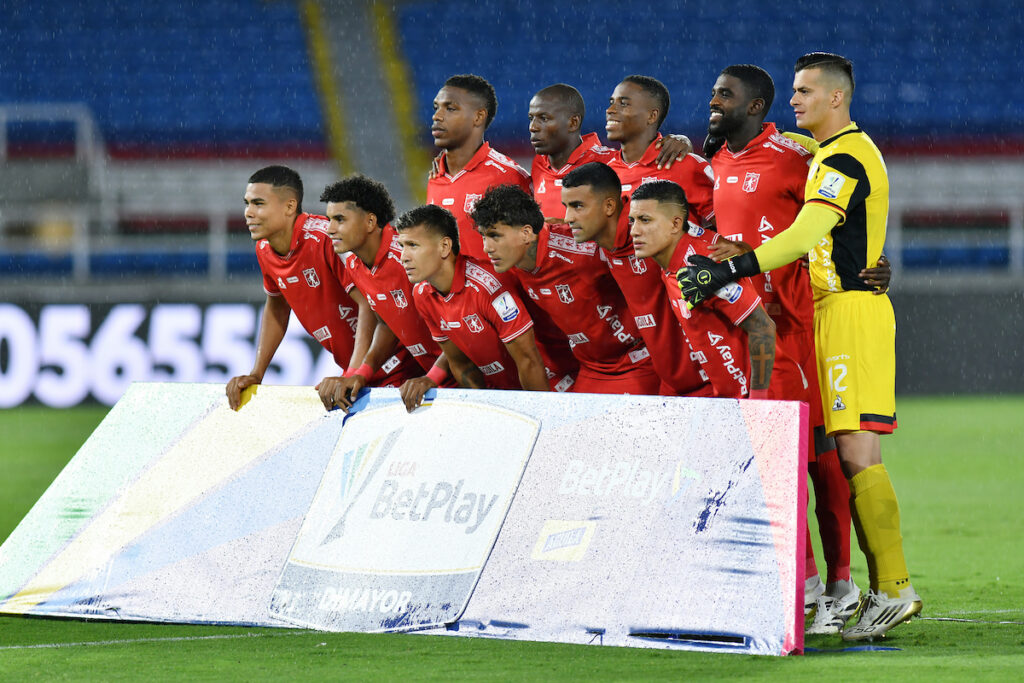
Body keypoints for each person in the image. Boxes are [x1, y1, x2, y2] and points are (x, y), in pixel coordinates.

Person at [678, 52, 922, 640]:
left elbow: (807, 231)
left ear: (836, 97)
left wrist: (730, 268)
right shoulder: (822, 149)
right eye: (792, 90)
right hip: (832, 310)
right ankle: (883, 589)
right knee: (849, 453)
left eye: (805, 91)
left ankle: (893, 588)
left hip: (848, 313)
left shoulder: (842, 157)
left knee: (856, 453)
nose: (794, 99)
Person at [705, 63, 854, 626]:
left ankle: (839, 584)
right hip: (751, 331)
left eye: (725, 95)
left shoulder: (797, 157)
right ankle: (808, 585)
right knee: (778, 461)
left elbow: (842, 218)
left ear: (754, 106)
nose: (713, 101)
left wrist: (870, 262)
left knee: (821, 459)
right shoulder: (713, 161)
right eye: (713, 92)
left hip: (798, 326)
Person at [225, 166, 410, 411]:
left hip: (398, 367)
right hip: (360, 375)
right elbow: (277, 307)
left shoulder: (328, 240)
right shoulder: (264, 249)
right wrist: (257, 373)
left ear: (289, 206)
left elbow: (370, 303)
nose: (248, 213)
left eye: (258, 204)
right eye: (246, 204)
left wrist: (354, 372)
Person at [471, 184, 661, 395]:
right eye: (483, 236)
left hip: (636, 360)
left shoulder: (583, 249)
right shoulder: (507, 267)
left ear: (526, 233)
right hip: (590, 368)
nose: (487, 248)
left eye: (495, 236)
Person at [559, 162, 711, 396]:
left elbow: (705, 247)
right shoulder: (601, 241)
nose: (568, 217)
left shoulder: (652, 233)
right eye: (566, 206)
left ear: (609, 206)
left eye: (578, 206)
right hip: (671, 382)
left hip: (710, 381)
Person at [318, 174, 456, 413]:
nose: (330, 229)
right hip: (435, 379)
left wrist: (431, 377)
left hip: (464, 375)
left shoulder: (409, 258)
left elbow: (458, 324)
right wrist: (361, 373)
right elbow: (387, 322)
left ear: (370, 222)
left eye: (340, 219)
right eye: (329, 219)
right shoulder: (354, 264)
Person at [628, 180, 777, 398]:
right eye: (632, 221)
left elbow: (763, 328)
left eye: (645, 220)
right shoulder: (671, 259)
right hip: (733, 398)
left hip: (768, 395)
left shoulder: (704, 264)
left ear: (675, 224)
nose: (634, 231)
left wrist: (759, 402)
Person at [395, 204, 550, 392]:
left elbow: (529, 361)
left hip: (547, 386)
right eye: (402, 246)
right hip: (500, 393)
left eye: (413, 245)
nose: (403, 257)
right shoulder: (421, 294)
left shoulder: (489, 287)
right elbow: (460, 364)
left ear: (444, 246)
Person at [528, 83, 690, 221]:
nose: (532, 127)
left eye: (544, 118)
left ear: (573, 122)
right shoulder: (539, 164)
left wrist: (682, 141)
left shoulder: (606, 163)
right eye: (531, 118)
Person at [427, 74, 531, 260]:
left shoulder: (508, 176)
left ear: (478, 117)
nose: (437, 116)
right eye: (436, 107)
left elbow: (530, 254)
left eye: (450, 108)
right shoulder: (436, 177)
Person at [605, 75, 715, 227]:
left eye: (623, 104)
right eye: (611, 103)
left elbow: (729, 227)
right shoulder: (606, 174)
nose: (610, 110)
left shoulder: (684, 165)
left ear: (652, 116)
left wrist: (691, 240)